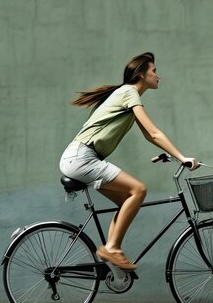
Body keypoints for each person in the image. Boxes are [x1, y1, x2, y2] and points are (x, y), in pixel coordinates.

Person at [60, 52, 199, 271]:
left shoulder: (127, 96)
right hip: (82, 157)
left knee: (127, 199)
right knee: (139, 190)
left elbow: (147, 134)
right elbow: (154, 133)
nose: (158, 76)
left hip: (79, 157)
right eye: (154, 71)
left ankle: (112, 259)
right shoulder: (129, 92)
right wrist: (183, 157)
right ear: (141, 75)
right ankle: (112, 248)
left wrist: (171, 154)